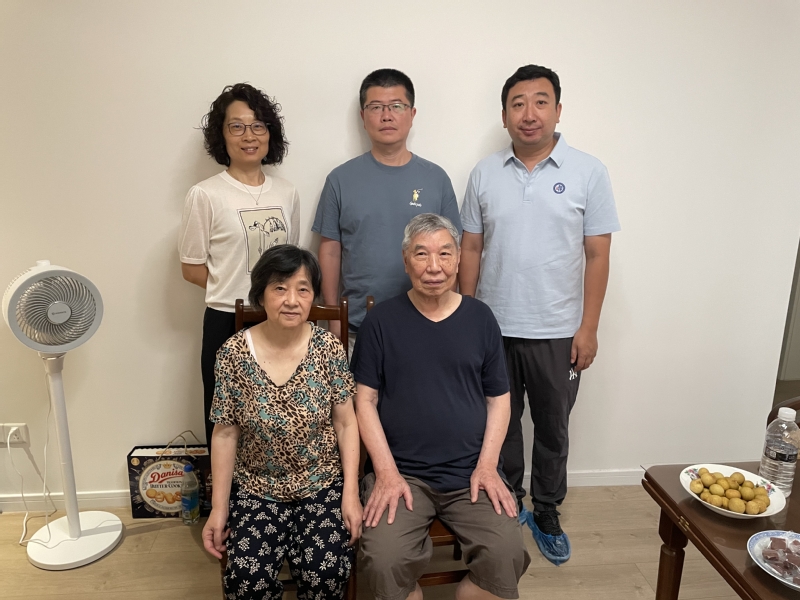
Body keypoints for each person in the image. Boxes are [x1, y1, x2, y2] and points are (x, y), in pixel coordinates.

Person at [458, 64, 621, 565]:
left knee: (553, 427)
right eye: (518, 104)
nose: (529, 114)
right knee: (500, 425)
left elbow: (598, 255)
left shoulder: (588, 171)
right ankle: (507, 502)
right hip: (493, 329)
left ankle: (547, 509)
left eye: (540, 101)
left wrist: (588, 328)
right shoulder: (484, 173)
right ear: (504, 115)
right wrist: (467, 318)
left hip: (558, 331)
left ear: (558, 110)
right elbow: (470, 249)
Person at [351, 214, 530, 600]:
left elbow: (499, 399)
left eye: (445, 253)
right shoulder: (380, 322)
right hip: (403, 474)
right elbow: (364, 400)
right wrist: (385, 472)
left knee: (506, 554)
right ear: (405, 261)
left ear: (459, 259)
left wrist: (487, 466)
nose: (434, 266)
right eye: (422, 254)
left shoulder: (481, 319)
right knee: (383, 561)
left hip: (471, 472)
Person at [202, 245, 361, 599]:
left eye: (303, 289)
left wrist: (350, 494)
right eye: (279, 288)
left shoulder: (329, 349)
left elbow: (346, 424)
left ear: (313, 296)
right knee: (247, 580)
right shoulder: (232, 354)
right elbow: (225, 434)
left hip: (320, 484)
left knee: (326, 572)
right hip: (256, 487)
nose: (292, 300)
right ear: (261, 295)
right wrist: (219, 508)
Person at [179, 83, 299, 448]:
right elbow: (191, 268)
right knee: (225, 421)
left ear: (270, 133)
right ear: (222, 135)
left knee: (279, 418)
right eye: (237, 126)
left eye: (258, 125)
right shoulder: (205, 194)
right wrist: (233, 289)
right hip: (226, 321)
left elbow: (290, 262)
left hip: (279, 319)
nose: (249, 136)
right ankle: (224, 487)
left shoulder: (287, 193)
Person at [312, 68, 462, 352]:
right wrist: (334, 319)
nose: (386, 116)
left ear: (412, 114)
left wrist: (448, 316)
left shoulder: (436, 179)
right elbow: (330, 251)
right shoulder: (340, 179)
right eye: (376, 107)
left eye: (396, 106)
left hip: (426, 325)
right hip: (357, 327)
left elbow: (454, 250)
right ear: (363, 115)